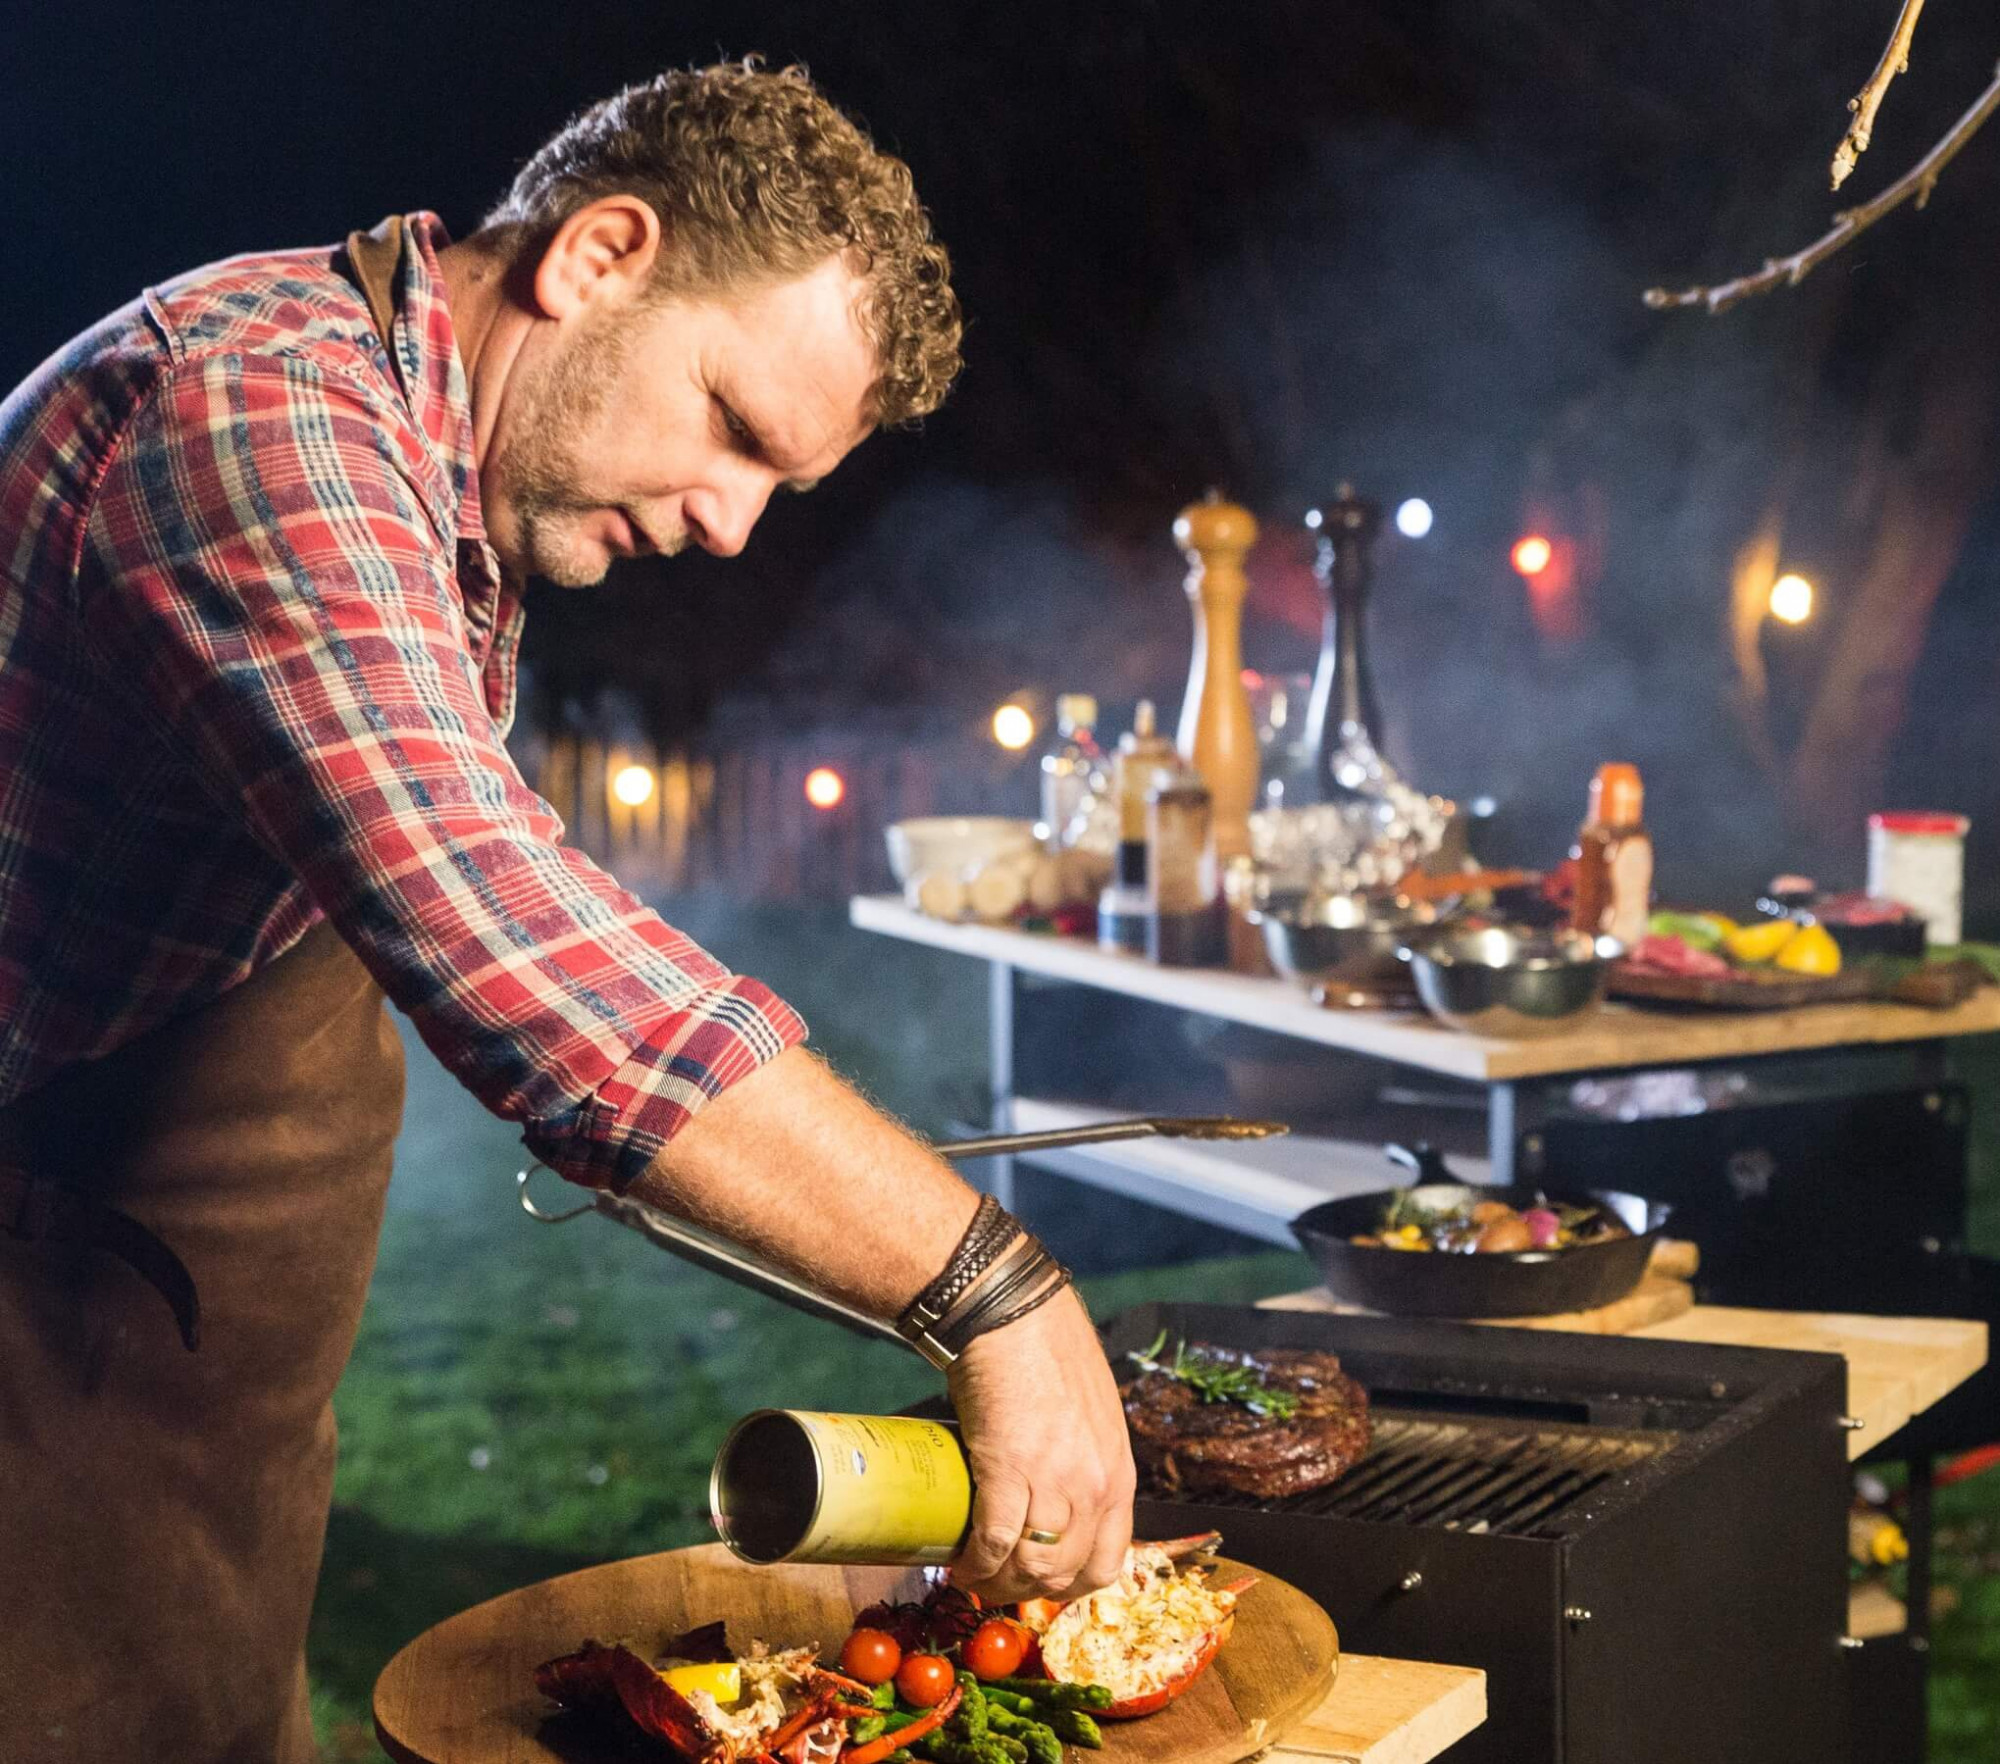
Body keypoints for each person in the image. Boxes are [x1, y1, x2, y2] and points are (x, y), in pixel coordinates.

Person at [0, 61, 1135, 1764]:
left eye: (786, 488)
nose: (734, 526)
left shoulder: (428, 466)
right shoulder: (257, 421)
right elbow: (507, 934)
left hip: (168, 1337)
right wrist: (994, 1290)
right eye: (738, 431)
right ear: (599, 256)